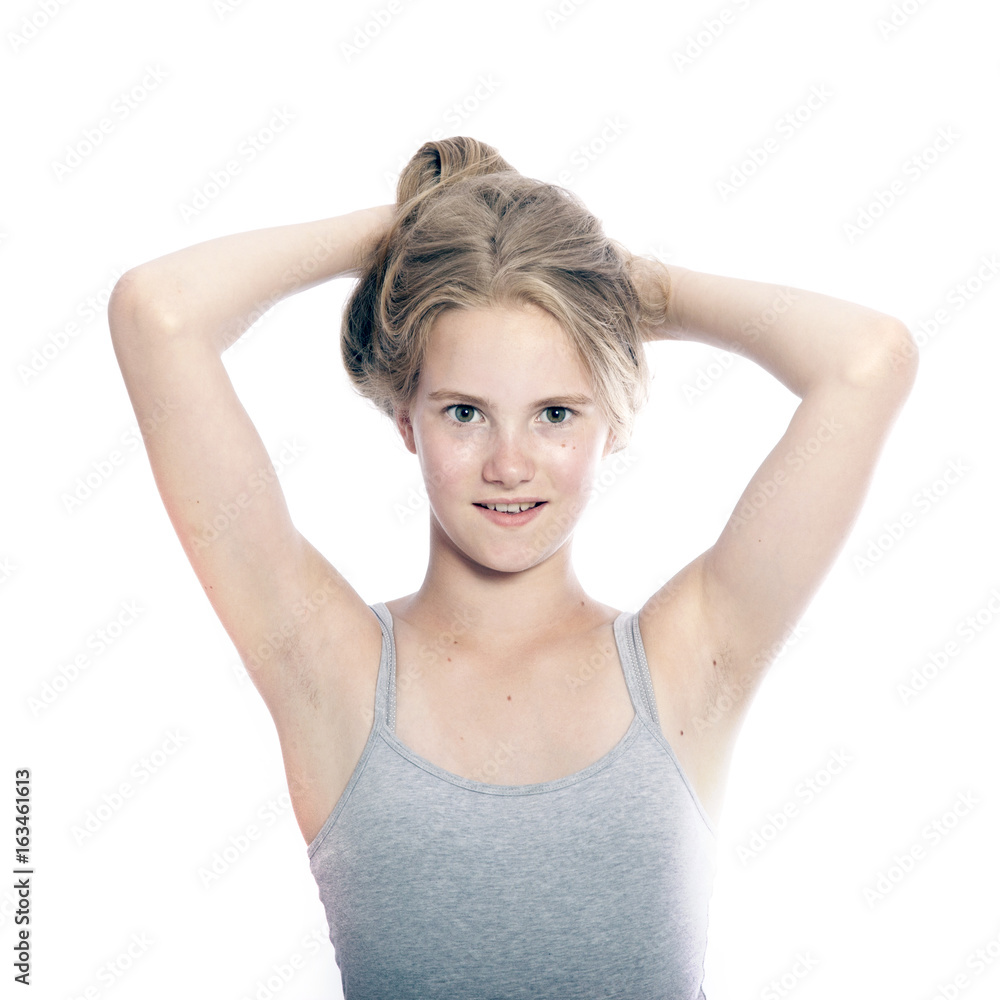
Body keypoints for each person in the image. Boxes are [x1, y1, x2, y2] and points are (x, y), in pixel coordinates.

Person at [108, 136, 918, 998]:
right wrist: (409, 238)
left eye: (556, 413)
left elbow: (868, 363)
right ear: (405, 420)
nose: (509, 464)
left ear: (612, 419)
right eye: (465, 411)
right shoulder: (327, 666)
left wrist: (627, 286)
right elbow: (158, 314)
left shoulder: (692, 659)